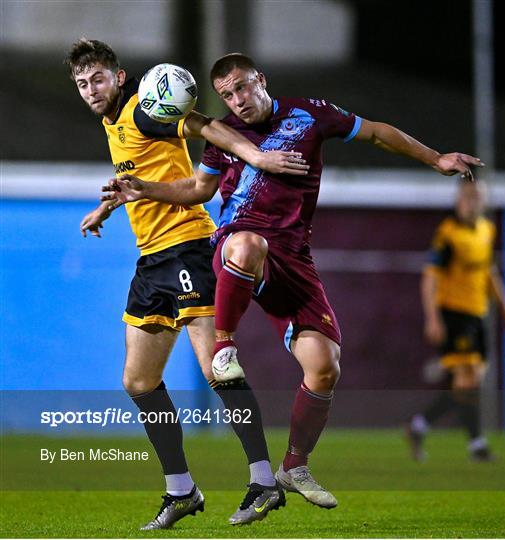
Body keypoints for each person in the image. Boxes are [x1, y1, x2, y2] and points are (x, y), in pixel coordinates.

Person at [102, 52, 483, 510]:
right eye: (226, 95)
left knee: (325, 366)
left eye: (242, 87)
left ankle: (292, 467)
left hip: (294, 257)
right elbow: (199, 191)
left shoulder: (310, 114)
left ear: (261, 79)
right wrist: (146, 188)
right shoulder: (226, 135)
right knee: (246, 247)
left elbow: (377, 132)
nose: (237, 101)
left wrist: (435, 158)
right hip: (233, 246)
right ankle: (224, 347)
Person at [65, 40, 310, 529]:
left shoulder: (143, 110)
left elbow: (207, 126)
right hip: (152, 259)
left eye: (97, 79)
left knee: (218, 369)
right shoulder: (117, 119)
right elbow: (139, 175)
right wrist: (108, 207)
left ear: (118, 75)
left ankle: (264, 480)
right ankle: (182, 490)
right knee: (138, 381)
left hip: (187, 249)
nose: (90, 90)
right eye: (81, 83)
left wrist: (257, 157)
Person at [406, 178, 505, 462]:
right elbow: (430, 277)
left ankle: (419, 425)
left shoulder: (486, 230)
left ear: (484, 201)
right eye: (467, 197)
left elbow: (488, 270)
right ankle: (476, 444)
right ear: (458, 201)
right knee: (467, 379)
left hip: (479, 314)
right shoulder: (448, 234)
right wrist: (432, 318)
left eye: (477, 197)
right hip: (453, 313)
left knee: (469, 381)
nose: (472, 202)